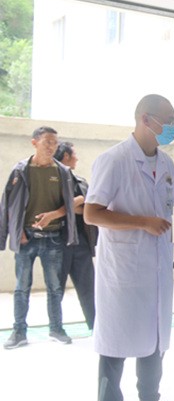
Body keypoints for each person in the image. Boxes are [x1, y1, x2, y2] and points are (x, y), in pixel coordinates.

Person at [84, 94, 174, 401]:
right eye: (168, 120)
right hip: (123, 271)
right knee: (115, 342)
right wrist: (142, 222)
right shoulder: (113, 160)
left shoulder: (167, 163)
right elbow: (92, 213)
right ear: (146, 119)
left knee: (154, 341)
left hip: (157, 268)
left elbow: (168, 208)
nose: (172, 126)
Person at [0, 126, 78, 349]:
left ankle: (56, 329)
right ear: (34, 142)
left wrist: (53, 215)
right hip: (26, 238)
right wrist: (17, 232)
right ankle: (19, 332)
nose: (52, 146)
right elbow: (9, 204)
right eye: (47, 142)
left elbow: (71, 204)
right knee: (21, 287)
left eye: (55, 143)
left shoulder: (62, 172)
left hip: (53, 238)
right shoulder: (21, 170)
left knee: (55, 287)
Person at [54, 141, 98, 330]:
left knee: (88, 287)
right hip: (58, 242)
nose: (77, 158)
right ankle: (56, 328)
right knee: (56, 290)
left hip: (81, 242)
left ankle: (95, 326)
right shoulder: (51, 180)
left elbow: (89, 208)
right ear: (66, 156)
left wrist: (75, 204)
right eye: (74, 154)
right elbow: (53, 207)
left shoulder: (80, 181)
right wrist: (78, 202)